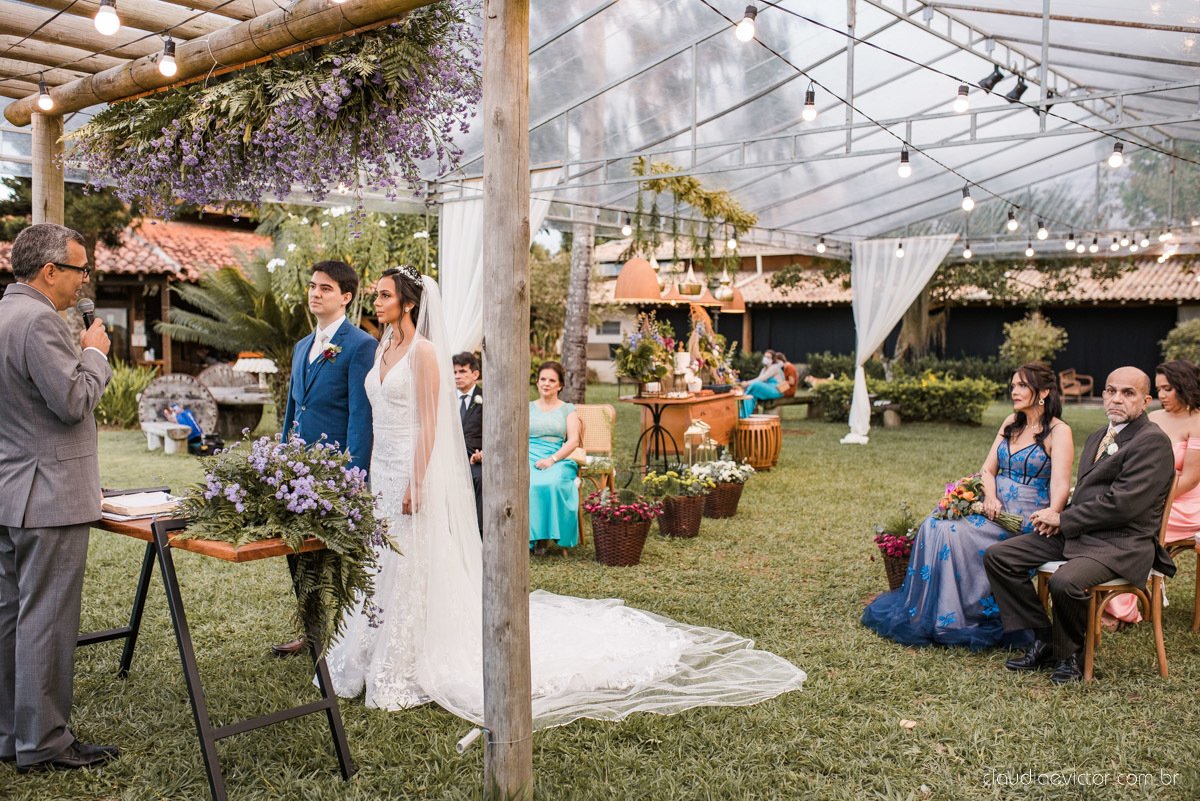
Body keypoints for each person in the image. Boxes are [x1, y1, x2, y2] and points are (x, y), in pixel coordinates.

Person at [324, 266, 806, 726]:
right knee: (379, 558)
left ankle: (408, 655)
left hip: (412, 468)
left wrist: (416, 479)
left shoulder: (425, 352)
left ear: (409, 303)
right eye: (377, 294)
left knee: (411, 558)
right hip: (380, 469)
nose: (376, 302)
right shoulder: (383, 345)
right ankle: (367, 647)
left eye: (385, 295)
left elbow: (431, 422)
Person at [0, 223, 118, 772]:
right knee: (46, 620)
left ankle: (11, 734)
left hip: (10, 492)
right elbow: (72, 401)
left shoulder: (3, 314)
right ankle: (45, 743)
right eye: (80, 269)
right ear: (50, 271)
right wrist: (94, 354)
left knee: (12, 619)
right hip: (48, 496)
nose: (84, 280)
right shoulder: (39, 320)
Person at [985, 367, 1175, 685]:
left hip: (1121, 543)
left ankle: (1071, 656)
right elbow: (1089, 494)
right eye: (1111, 391)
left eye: (1128, 393)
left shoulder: (1152, 441)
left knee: (1064, 582)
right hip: (1081, 532)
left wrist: (1063, 518)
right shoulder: (1098, 436)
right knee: (1000, 556)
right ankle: (1044, 638)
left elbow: (1124, 505)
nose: (1117, 398)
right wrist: (1060, 520)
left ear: (1145, 401)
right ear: (1103, 395)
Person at [862, 363, 1072, 649]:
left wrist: (1053, 513)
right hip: (992, 507)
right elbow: (988, 470)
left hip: (1024, 516)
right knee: (934, 525)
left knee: (953, 534)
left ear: (1044, 392)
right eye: (1013, 385)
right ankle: (935, 611)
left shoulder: (1059, 431)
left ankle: (963, 616)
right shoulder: (1011, 422)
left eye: (1022, 385)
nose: (1014, 391)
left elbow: (1060, 484)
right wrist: (990, 497)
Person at [272, 260, 376, 658]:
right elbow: (292, 411)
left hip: (334, 473)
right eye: (313, 286)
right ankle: (311, 632)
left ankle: (346, 640)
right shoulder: (302, 346)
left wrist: (353, 477)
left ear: (346, 296)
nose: (315, 293)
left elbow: (360, 417)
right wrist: (281, 461)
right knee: (298, 553)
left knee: (338, 562)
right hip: (297, 472)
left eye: (326, 288)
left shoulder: (361, 345)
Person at [1105, 359, 1200, 625]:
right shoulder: (1154, 417)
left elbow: (1190, 479)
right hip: (1144, 496)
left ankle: (1119, 609)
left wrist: (1147, 500)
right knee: (1109, 520)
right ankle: (1095, 591)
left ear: (1186, 386)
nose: (1162, 395)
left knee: (1135, 529)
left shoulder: (1198, 422)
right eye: (1159, 389)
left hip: (1184, 504)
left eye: (1168, 388)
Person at [529, 361, 581, 555]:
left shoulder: (568, 409)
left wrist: (552, 459)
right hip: (528, 456)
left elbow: (573, 441)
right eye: (543, 379)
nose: (546, 383)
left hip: (557, 457)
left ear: (560, 385)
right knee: (528, 483)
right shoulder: (527, 407)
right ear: (537, 382)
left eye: (552, 380)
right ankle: (533, 537)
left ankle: (546, 536)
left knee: (551, 483)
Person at [453, 351, 483, 533]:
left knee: (479, 478)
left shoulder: (486, 398)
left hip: (475, 457)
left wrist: (483, 454)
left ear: (475, 374)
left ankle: (479, 532)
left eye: (462, 371)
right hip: (449, 456)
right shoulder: (446, 398)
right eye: (455, 372)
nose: (457, 376)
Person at [740, 351, 786, 417]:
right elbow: (759, 379)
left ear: (772, 360)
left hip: (777, 391)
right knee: (750, 396)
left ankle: (744, 393)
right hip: (768, 389)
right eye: (765, 356)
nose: (765, 358)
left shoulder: (774, 367)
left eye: (768, 357)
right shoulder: (764, 369)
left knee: (756, 385)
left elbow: (761, 379)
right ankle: (744, 416)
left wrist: (747, 383)